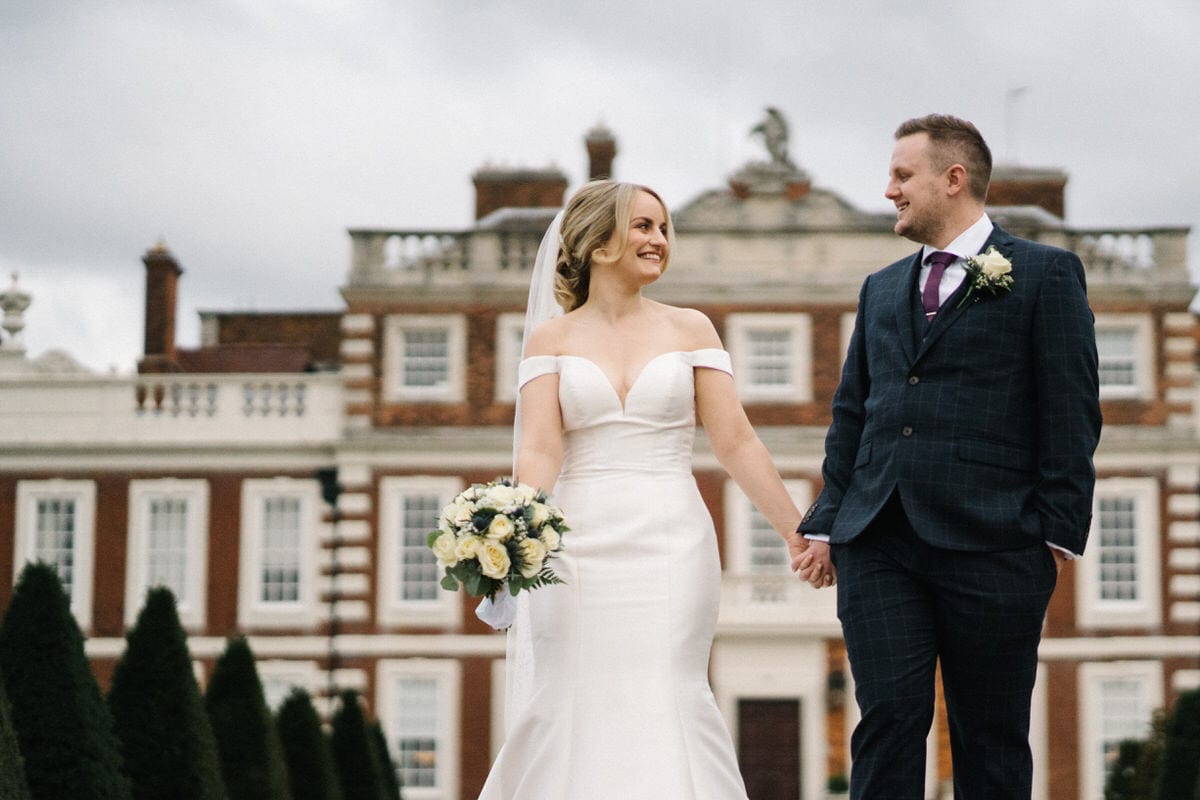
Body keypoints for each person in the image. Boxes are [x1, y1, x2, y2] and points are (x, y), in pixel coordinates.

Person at [478, 180, 822, 799]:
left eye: (663, 228)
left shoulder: (692, 329)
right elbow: (540, 449)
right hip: (574, 545)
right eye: (643, 226)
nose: (658, 240)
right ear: (596, 241)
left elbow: (736, 442)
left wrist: (797, 532)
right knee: (569, 690)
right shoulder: (549, 341)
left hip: (671, 540)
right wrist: (512, 537)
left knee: (669, 686)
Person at [797, 114, 1101, 799]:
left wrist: (1051, 535)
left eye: (903, 175)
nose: (889, 191)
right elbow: (853, 414)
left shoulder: (1045, 275)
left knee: (989, 734)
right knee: (888, 720)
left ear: (953, 179)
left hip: (996, 544)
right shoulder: (879, 289)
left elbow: (1072, 411)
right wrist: (826, 521)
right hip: (879, 540)